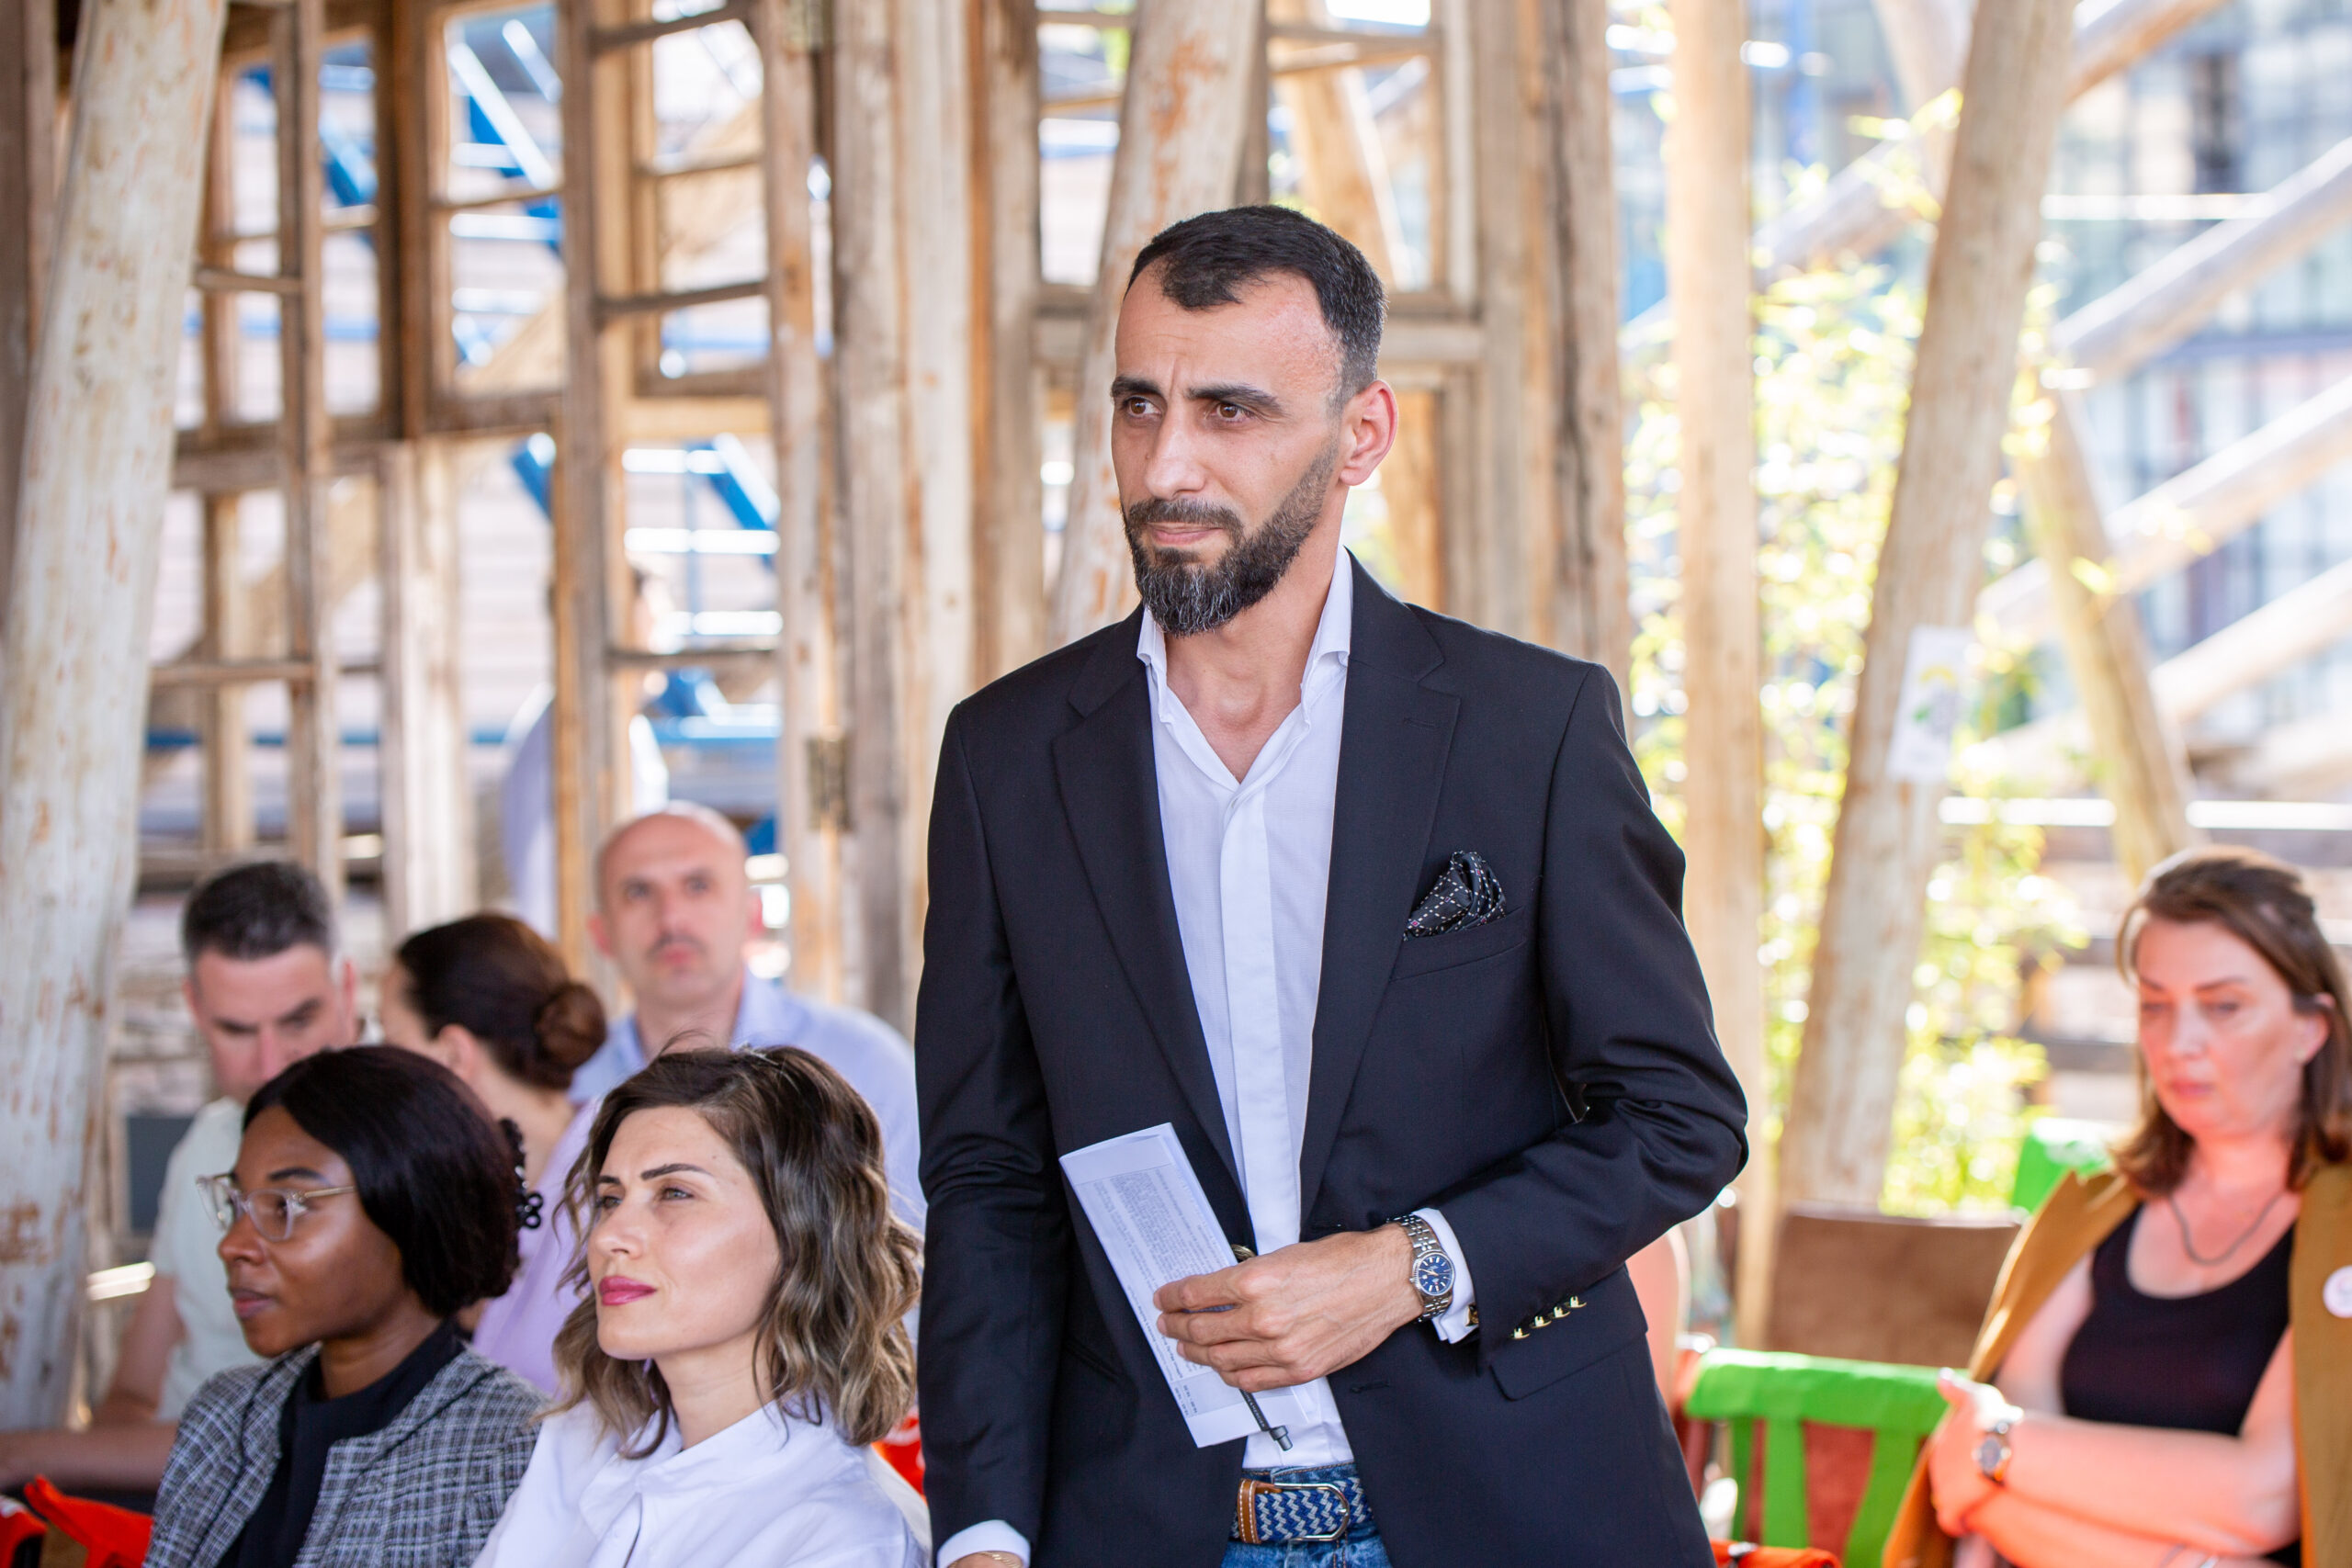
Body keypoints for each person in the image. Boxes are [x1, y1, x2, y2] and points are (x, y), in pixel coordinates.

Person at [916, 204, 1746, 1568]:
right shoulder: (1005, 756)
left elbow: (1679, 1117)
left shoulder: (1528, 730)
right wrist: (986, 1533)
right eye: (1139, 403)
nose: (1166, 464)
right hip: (1148, 1525)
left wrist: (1412, 1265)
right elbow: (989, 1173)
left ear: (1362, 433)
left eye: (1230, 410)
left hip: (1520, 1508)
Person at [1886, 847, 2352, 1568]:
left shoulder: (2342, 1230)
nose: (2179, 1042)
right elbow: (1969, 1502)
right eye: (2155, 1005)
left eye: (2223, 1006)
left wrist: (2004, 1444)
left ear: (2309, 1027)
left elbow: (2265, 1499)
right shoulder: (2091, 1209)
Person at [473, 1047, 926, 1568]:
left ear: (802, 1231)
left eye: (675, 1193)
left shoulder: (848, 1541)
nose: (611, 1236)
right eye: (610, 1199)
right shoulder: (578, 1443)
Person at [0, 861, 358, 1494]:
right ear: (194, 1007)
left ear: (348, 988)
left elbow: (325, 1428)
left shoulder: (408, 1146)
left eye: (298, 1020)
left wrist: (30, 1455)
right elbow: (134, 1390)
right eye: (237, 1029)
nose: (270, 1063)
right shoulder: (202, 1142)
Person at [141, 1048, 541, 1568]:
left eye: (287, 1204)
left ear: (411, 1208)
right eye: (237, 1202)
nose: (234, 1245)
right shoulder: (223, 1417)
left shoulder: (509, 1451)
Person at [568, 802, 923, 1227]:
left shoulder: (865, 1066)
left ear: (753, 915)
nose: (671, 919)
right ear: (601, 934)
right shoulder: (569, 1085)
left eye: (698, 885)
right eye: (638, 892)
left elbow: (914, 1252)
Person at [379, 912, 606, 1393]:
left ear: (453, 1054)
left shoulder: (621, 1180)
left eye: (393, 1042)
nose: (386, 1072)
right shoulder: (454, 1193)